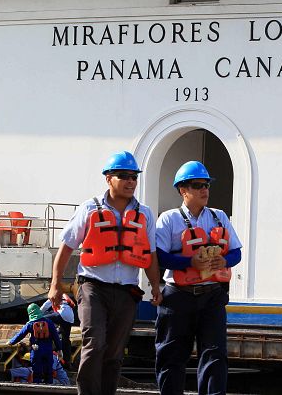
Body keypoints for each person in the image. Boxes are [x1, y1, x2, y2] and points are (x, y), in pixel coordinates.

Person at [48, 150, 163, 395]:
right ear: (108, 178)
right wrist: (55, 284)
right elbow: (67, 247)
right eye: (124, 176)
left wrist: (156, 286)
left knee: (114, 351)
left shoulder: (145, 214)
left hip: (127, 291)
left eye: (134, 177)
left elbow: (151, 254)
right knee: (95, 343)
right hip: (93, 287)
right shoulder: (89, 208)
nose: (131, 182)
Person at [154, 161, 242, 395]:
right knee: (171, 355)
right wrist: (189, 263)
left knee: (215, 355)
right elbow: (159, 256)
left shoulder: (219, 217)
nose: (205, 190)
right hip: (177, 297)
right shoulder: (168, 219)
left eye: (207, 185)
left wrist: (225, 261)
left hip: (212, 295)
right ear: (183, 190)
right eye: (198, 185)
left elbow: (236, 252)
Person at [8, 303, 62, 384]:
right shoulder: (49, 322)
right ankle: (49, 386)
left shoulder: (30, 324)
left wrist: (11, 342)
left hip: (36, 350)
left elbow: (21, 335)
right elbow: (56, 337)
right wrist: (59, 348)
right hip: (48, 350)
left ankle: (37, 386)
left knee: (37, 371)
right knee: (48, 371)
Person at [41, 293, 77, 363]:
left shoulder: (54, 295)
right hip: (70, 318)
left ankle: (48, 336)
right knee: (65, 339)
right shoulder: (64, 296)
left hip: (62, 314)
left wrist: (37, 316)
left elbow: (44, 307)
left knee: (43, 318)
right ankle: (67, 361)